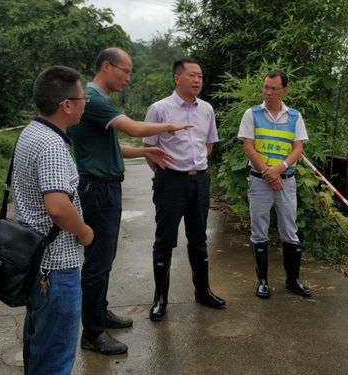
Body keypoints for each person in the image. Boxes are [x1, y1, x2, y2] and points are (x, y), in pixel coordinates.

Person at [71, 47, 192, 355]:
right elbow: (135, 128)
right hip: (97, 188)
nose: (128, 77)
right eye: (125, 71)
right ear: (107, 67)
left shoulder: (98, 101)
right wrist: (169, 126)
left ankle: (99, 312)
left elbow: (115, 146)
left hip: (106, 186)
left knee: (105, 257)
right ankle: (92, 333)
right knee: (98, 261)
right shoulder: (93, 99)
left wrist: (144, 151)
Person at [13, 66, 94, 374]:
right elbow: (58, 207)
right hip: (55, 268)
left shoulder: (31, 132)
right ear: (67, 105)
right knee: (55, 359)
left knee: (39, 348)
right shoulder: (52, 145)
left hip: (34, 262)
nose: (86, 103)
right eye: (83, 97)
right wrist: (84, 232)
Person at [142, 58, 226, 322]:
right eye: (192, 75)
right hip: (170, 182)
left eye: (200, 75)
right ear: (177, 78)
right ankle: (160, 299)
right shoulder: (159, 109)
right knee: (164, 240)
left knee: (199, 239)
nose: (198, 80)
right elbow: (149, 148)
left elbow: (209, 144)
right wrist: (165, 172)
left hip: (199, 181)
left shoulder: (207, 109)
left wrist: (195, 165)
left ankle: (203, 291)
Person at [237, 69, 312, 299]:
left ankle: (293, 281)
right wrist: (268, 172)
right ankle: (262, 282)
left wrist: (279, 169)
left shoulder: (295, 116)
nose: (268, 92)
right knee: (259, 230)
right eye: (265, 87)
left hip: (286, 181)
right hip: (259, 181)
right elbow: (249, 148)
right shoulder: (252, 114)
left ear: (284, 91)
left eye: (273, 89)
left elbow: (298, 148)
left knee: (289, 230)